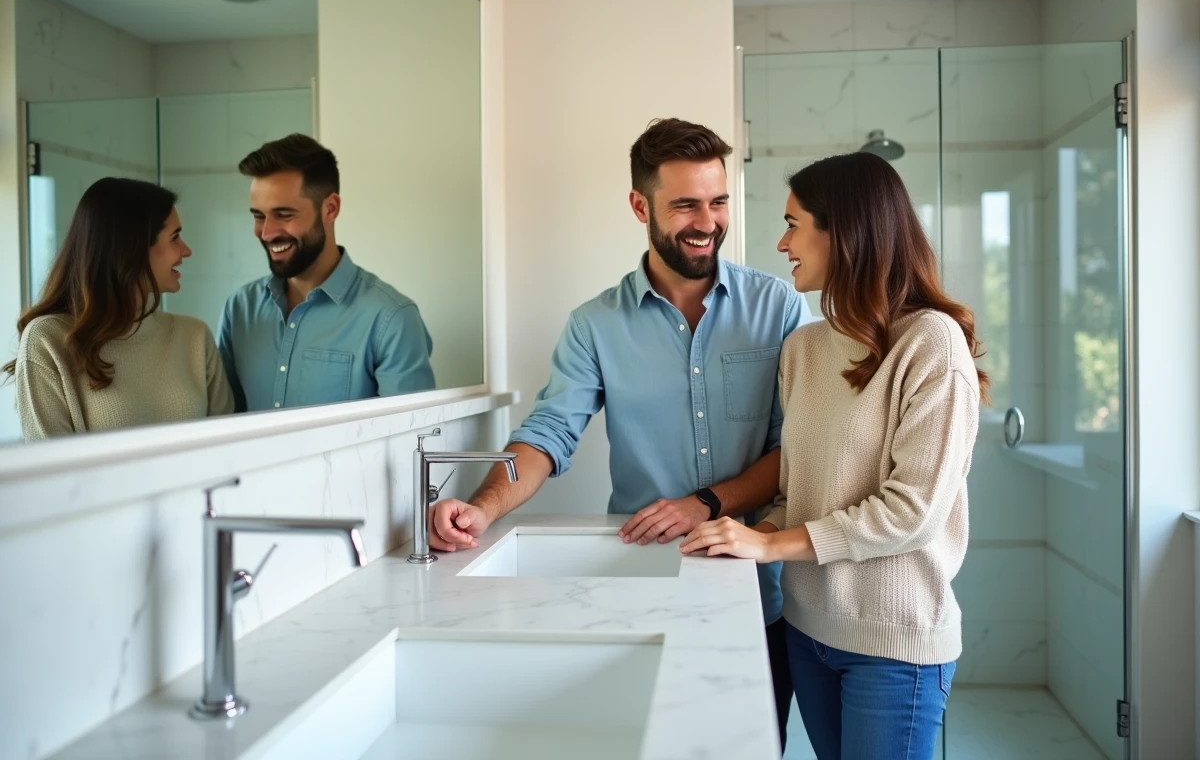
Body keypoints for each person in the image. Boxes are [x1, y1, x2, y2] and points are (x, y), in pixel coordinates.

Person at [427, 117, 813, 750]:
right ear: (641, 205)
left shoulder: (780, 307)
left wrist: (706, 504)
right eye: (685, 203)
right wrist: (482, 506)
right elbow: (550, 432)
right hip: (640, 583)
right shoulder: (594, 325)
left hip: (757, 590)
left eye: (717, 201)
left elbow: (796, 450)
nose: (707, 220)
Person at [681, 152, 987, 759]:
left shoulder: (929, 342)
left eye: (794, 224)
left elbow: (913, 512)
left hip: (893, 644)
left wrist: (768, 546)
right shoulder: (803, 348)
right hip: (808, 629)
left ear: (844, 231)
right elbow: (799, 492)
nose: (781, 241)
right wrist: (736, 541)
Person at [218, 134, 435, 412]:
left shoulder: (391, 319)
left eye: (284, 215)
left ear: (330, 208)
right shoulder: (239, 309)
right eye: (258, 216)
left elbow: (408, 438)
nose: (266, 232)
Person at [5, 178, 234, 440]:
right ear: (131, 247)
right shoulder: (47, 340)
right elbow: (50, 472)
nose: (186, 250)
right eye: (175, 237)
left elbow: (227, 451)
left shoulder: (194, 336)